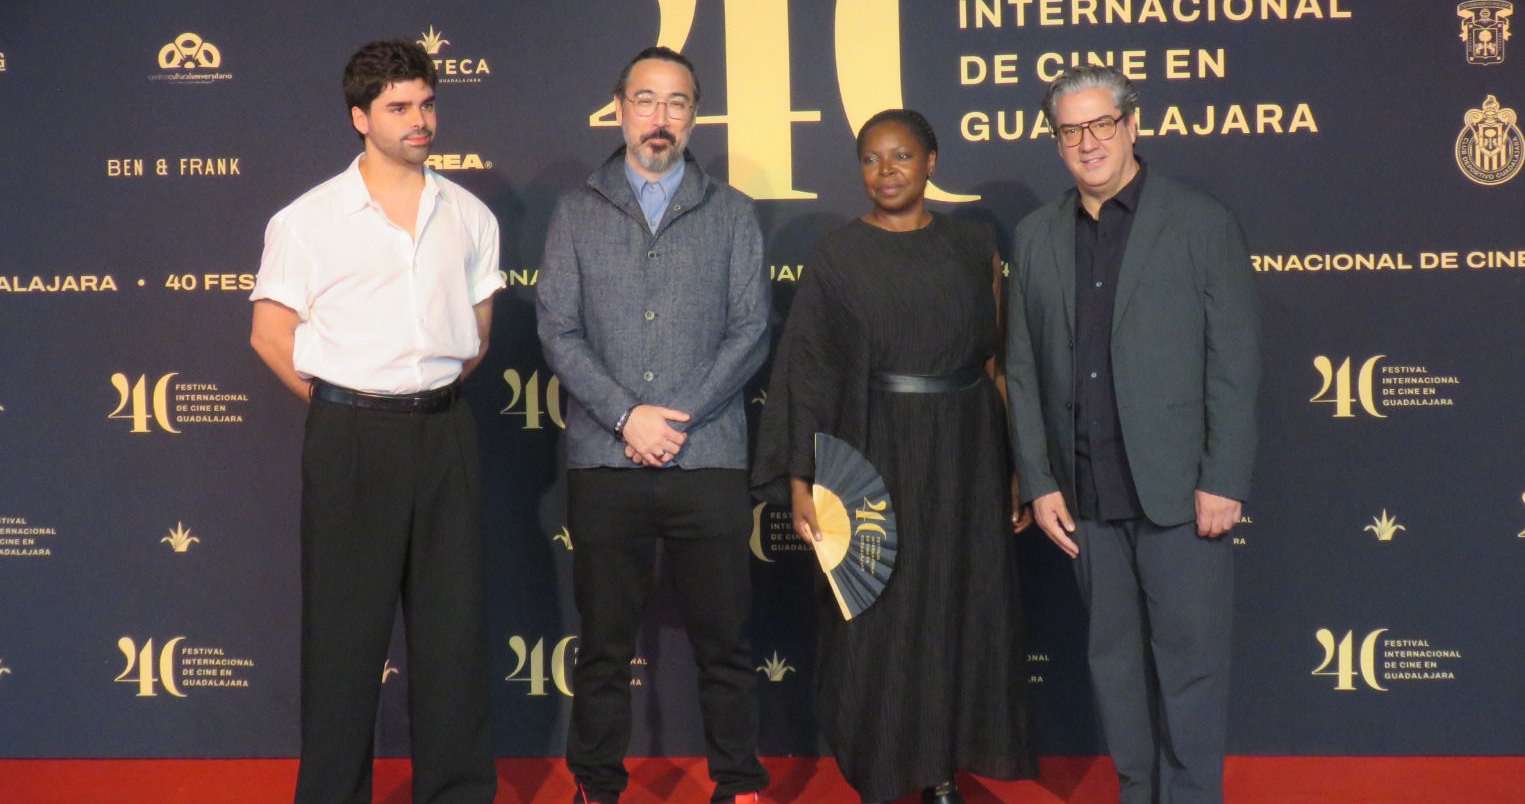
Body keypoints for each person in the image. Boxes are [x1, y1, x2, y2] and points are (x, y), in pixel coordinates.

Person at [753, 108, 1036, 804]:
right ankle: (880, 772)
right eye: (872, 160)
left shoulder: (975, 248)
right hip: (869, 453)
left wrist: (1015, 468)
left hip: (966, 452)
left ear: (931, 163)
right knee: (874, 618)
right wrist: (798, 476)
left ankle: (940, 771)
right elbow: (807, 371)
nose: (886, 172)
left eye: (901, 157)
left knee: (955, 608)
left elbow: (999, 364)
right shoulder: (838, 255)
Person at [249, 39, 501, 804]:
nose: (419, 120)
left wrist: (415, 398)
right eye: (399, 107)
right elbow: (269, 335)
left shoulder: (472, 215)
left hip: (445, 433)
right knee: (343, 642)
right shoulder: (308, 220)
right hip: (350, 439)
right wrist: (352, 403)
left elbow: (477, 336)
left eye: (426, 104)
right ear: (361, 117)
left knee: (452, 638)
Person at [1005, 66, 1260, 804]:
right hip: (1086, 496)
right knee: (1114, 670)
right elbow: (1022, 370)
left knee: (1190, 670)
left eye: (1101, 125)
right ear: (1056, 143)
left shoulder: (1199, 221)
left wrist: (1224, 479)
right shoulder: (1035, 236)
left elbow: (1235, 365)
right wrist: (1041, 479)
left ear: (1132, 126)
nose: (1088, 143)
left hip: (1182, 493)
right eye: (1071, 130)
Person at [535, 46, 771, 804]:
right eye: (646, 100)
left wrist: (678, 417)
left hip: (711, 457)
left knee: (726, 645)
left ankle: (737, 783)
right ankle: (596, 786)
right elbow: (557, 332)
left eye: (677, 103)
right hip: (606, 461)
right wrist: (626, 415)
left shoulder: (731, 212)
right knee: (602, 648)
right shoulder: (577, 211)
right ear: (619, 107)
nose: (660, 118)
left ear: (694, 113)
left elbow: (750, 331)